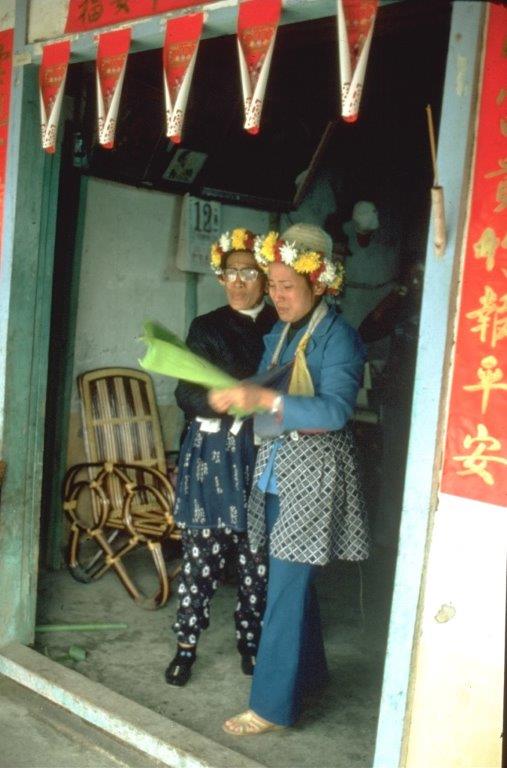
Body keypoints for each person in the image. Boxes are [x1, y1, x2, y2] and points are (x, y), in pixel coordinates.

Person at [209, 223, 370, 735]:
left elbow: (337, 410)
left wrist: (265, 399)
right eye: (272, 284)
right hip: (279, 469)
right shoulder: (282, 333)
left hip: (313, 476)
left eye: (287, 286)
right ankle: (312, 675)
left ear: (317, 283)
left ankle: (271, 707)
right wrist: (238, 393)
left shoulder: (338, 337)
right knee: (292, 582)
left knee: (284, 586)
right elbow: (264, 384)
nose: (276, 295)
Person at [164, 228, 277, 687]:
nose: (238, 282)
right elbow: (185, 393)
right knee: (201, 555)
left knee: (257, 557)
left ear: (265, 278)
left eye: (249, 273)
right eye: (231, 273)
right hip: (213, 452)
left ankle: (251, 644)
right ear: (220, 277)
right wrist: (222, 398)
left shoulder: (280, 325)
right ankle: (185, 646)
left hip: (263, 450)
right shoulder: (207, 327)